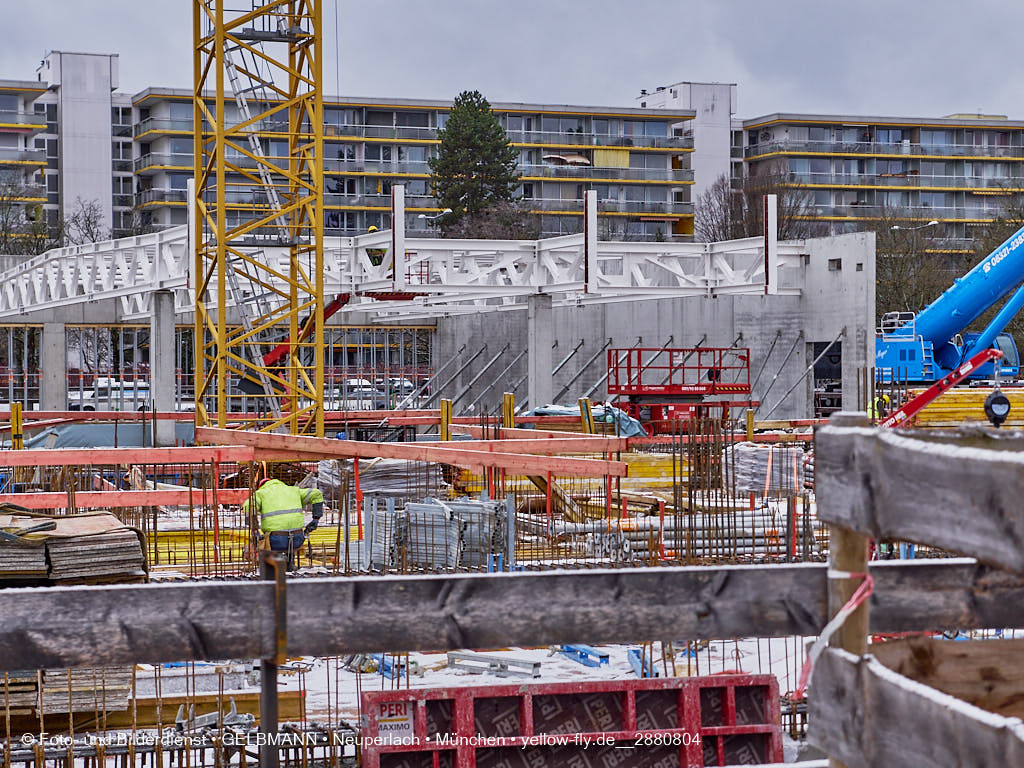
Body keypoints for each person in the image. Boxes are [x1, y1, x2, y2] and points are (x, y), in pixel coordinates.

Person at [244, 477, 324, 570]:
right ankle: (290, 564)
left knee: (264, 545)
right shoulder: (294, 491)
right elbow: (316, 494)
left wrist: (254, 529)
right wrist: (315, 519)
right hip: (297, 539)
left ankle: (276, 565)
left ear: (261, 486)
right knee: (289, 547)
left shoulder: (261, 493)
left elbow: (248, 506)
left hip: (276, 540)